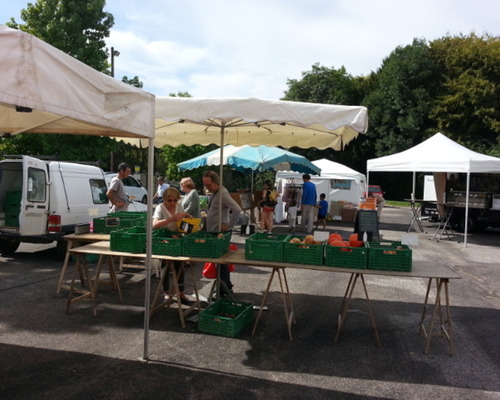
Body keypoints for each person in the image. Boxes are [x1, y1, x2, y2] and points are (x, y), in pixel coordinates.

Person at [202, 170, 241, 297]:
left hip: (220, 233)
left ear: (215, 183)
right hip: (214, 231)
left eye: (208, 185)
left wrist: (229, 226)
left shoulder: (222, 194)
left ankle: (224, 289)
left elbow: (237, 209)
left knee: (221, 262)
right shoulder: (216, 192)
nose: (206, 188)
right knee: (220, 262)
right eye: (205, 185)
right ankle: (225, 287)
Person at [152, 187, 192, 305]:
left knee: (180, 266)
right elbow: (155, 224)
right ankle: (166, 292)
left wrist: (187, 217)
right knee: (165, 265)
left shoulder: (179, 206)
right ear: (164, 200)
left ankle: (181, 292)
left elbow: (183, 221)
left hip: (178, 237)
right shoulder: (160, 208)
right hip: (165, 238)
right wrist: (171, 219)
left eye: (175, 200)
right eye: (169, 200)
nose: (173, 203)